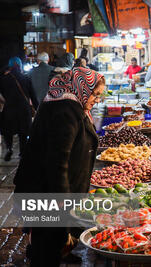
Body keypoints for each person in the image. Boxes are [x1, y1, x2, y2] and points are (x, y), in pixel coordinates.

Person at [13, 67, 105, 266]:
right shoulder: (65, 111)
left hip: (49, 190)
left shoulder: (68, 104)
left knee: (50, 243)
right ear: (82, 87)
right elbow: (57, 162)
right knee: (47, 247)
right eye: (95, 94)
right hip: (48, 192)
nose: (97, 100)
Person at [0, 57, 38, 161]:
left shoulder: (3, 79)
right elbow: (33, 96)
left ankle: (9, 148)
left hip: (9, 109)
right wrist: (37, 108)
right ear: (20, 65)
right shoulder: (26, 78)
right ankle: (22, 152)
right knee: (23, 132)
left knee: (8, 131)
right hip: (24, 110)